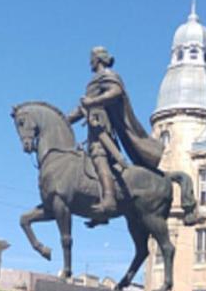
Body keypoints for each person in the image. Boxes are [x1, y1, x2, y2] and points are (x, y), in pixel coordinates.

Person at [65, 46, 164, 222]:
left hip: (102, 128)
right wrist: (63, 120)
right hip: (92, 128)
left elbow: (116, 92)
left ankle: (109, 199)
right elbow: (82, 109)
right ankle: (97, 204)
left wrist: (93, 101)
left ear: (99, 59)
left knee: (98, 156)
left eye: (92, 58)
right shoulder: (95, 80)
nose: (90, 61)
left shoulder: (108, 76)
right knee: (88, 161)